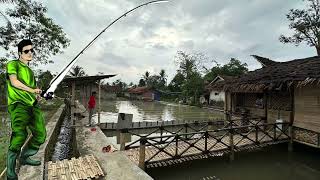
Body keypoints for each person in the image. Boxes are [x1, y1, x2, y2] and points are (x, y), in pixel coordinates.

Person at [6, 39, 46, 180]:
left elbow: (33, 92)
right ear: (19, 53)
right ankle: (10, 170)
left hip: (32, 105)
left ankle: (25, 157)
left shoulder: (30, 71)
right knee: (19, 135)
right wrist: (32, 89)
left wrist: (38, 96)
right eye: (26, 51)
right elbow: (14, 82)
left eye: (31, 50)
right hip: (18, 104)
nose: (30, 53)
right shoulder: (13, 64)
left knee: (41, 134)